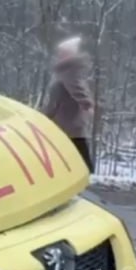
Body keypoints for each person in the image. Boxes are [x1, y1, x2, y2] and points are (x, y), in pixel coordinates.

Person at [41, 36, 95, 171]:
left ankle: (84, 175)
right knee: (69, 152)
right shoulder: (68, 70)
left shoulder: (68, 71)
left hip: (68, 122)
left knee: (75, 152)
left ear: (70, 53)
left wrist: (86, 103)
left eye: (62, 52)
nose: (59, 55)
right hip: (66, 121)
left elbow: (76, 87)